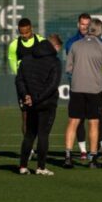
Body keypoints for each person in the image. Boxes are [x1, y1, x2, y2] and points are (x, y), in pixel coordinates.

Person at [63, 18, 102, 169]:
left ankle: (67, 156)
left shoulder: (75, 45)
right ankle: (92, 158)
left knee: (73, 122)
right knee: (93, 123)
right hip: (95, 89)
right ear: (100, 31)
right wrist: (100, 79)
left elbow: (68, 69)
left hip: (77, 88)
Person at [17, 35, 64, 175]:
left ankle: (23, 166)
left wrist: (26, 96)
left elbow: (19, 80)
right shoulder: (54, 62)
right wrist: (36, 99)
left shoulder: (26, 59)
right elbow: (52, 85)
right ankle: (41, 167)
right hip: (46, 103)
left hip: (30, 103)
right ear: (55, 47)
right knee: (43, 135)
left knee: (29, 134)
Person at [8, 18, 45, 149]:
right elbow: (12, 59)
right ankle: (28, 147)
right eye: (21, 33)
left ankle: (40, 146)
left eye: (26, 33)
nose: (24, 35)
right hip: (23, 85)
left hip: (38, 85)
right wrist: (19, 74)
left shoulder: (40, 41)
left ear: (31, 30)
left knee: (41, 116)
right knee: (26, 116)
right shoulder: (14, 45)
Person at [65, 13, 92, 159]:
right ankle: (82, 150)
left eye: (87, 25)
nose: (85, 27)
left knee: (94, 118)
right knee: (78, 118)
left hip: (93, 86)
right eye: (82, 24)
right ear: (78, 24)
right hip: (78, 85)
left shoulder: (97, 41)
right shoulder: (71, 43)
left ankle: (97, 150)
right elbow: (70, 66)